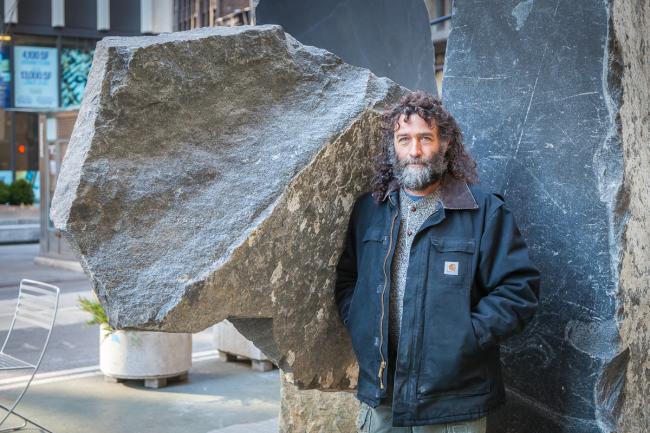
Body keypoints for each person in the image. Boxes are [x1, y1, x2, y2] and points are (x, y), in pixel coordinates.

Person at [334, 91, 540, 432]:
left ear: (444, 143)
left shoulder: (485, 211)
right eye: (404, 139)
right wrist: (358, 320)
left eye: (425, 138)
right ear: (393, 147)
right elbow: (348, 279)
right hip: (382, 397)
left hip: (453, 405)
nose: (414, 151)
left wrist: (466, 336)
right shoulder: (369, 211)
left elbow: (519, 291)